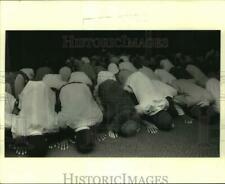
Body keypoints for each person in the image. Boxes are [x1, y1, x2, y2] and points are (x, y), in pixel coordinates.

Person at [57, 72, 103, 153]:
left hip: (81, 86)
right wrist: (64, 138)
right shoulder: (66, 120)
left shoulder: (97, 118)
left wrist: (95, 132)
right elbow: (59, 122)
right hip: (69, 87)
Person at [11, 81, 58, 156]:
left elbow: (54, 112)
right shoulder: (19, 131)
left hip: (44, 89)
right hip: (28, 89)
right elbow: (15, 116)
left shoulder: (51, 126)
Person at [96, 71, 142, 139]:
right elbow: (108, 117)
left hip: (113, 82)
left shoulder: (133, 113)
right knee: (101, 108)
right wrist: (111, 130)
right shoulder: (117, 116)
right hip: (104, 86)